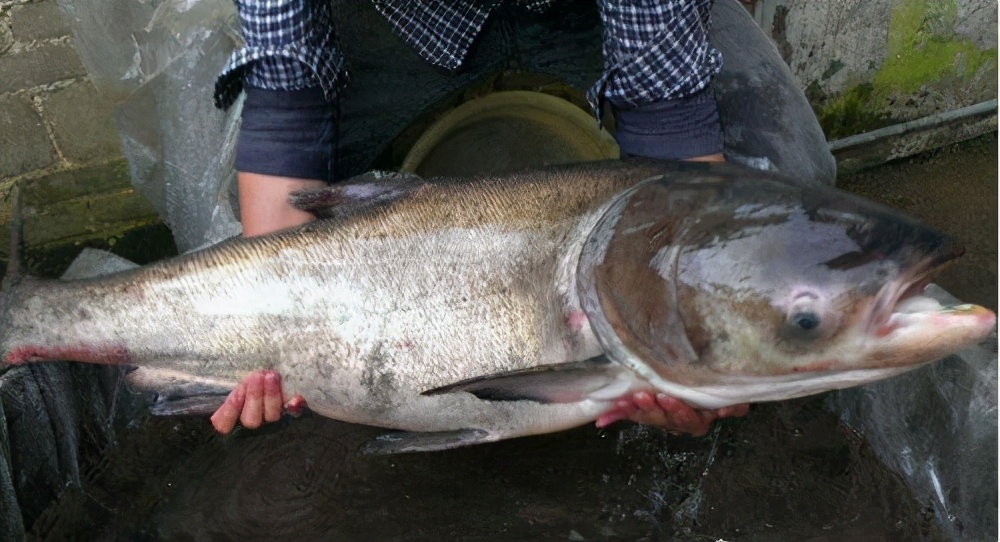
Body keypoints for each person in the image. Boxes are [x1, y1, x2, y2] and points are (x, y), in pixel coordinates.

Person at [208, 0, 750, 436]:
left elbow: (667, 114)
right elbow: (287, 106)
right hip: (399, 24)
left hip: (588, 20)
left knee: (769, 187)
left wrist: (702, 348)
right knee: (245, 246)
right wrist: (270, 332)